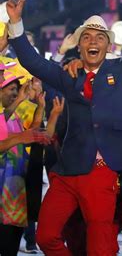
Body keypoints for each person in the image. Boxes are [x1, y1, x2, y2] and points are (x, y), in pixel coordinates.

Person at [5, 0, 122, 256]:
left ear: (108, 45)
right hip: (68, 170)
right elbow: (32, 62)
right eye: (87, 37)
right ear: (79, 45)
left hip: (102, 172)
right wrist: (16, 23)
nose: (93, 42)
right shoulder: (68, 75)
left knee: (101, 244)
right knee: (46, 236)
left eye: (99, 37)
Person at [0, 69, 51, 255]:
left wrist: (42, 107)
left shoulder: (15, 117)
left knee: (10, 246)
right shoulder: (4, 115)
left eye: (17, 89)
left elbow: (33, 133)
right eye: (11, 88)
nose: (15, 92)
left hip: (15, 195)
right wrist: (20, 138)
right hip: (4, 192)